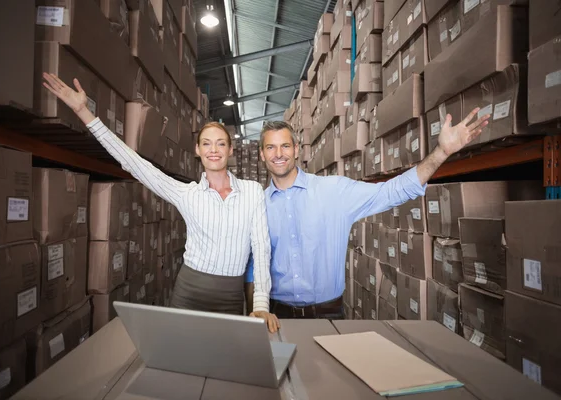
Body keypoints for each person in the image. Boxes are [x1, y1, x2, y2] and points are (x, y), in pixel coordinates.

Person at [42, 73, 280, 332]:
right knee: (180, 365)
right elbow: (134, 164)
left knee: (224, 365)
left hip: (231, 299)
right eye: (207, 144)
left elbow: (261, 249)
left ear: (230, 150)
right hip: (189, 294)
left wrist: (261, 305)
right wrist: (84, 112)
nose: (214, 149)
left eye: (221, 144)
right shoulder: (186, 194)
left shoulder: (252, 192)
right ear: (197, 150)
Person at [245, 110, 490, 319]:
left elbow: (389, 192)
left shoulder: (334, 191)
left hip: (326, 313)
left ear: (296, 150)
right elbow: (254, 267)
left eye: (285, 146)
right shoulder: (257, 205)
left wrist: (441, 152)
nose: (279, 153)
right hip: (276, 315)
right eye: (271, 147)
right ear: (262, 155)